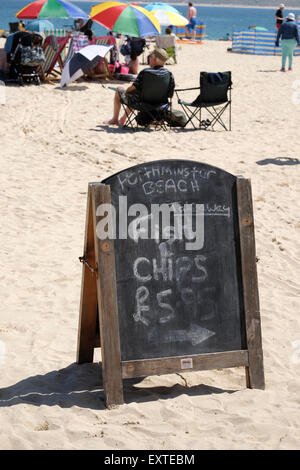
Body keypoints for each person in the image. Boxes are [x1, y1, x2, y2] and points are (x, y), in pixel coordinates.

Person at [105, 47, 175, 126]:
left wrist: (127, 91)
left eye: (150, 57)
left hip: (141, 104)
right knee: (136, 95)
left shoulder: (145, 72)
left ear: (155, 59)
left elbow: (132, 89)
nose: (149, 59)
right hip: (159, 106)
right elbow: (170, 94)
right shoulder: (169, 74)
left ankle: (115, 119)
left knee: (120, 90)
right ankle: (122, 119)